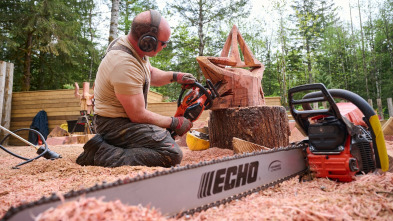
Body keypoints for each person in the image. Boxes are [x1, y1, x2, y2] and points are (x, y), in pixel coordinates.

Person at [76, 9, 196, 168]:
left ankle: (108, 147)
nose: (165, 46)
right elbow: (138, 115)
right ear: (148, 41)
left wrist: (175, 76)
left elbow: (149, 73)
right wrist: (173, 122)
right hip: (114, 125)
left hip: (121, 119)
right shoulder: (124, 63)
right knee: (171, 152)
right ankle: (101, 153)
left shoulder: (131, 47)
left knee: (162, 136)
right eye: (163, 43)